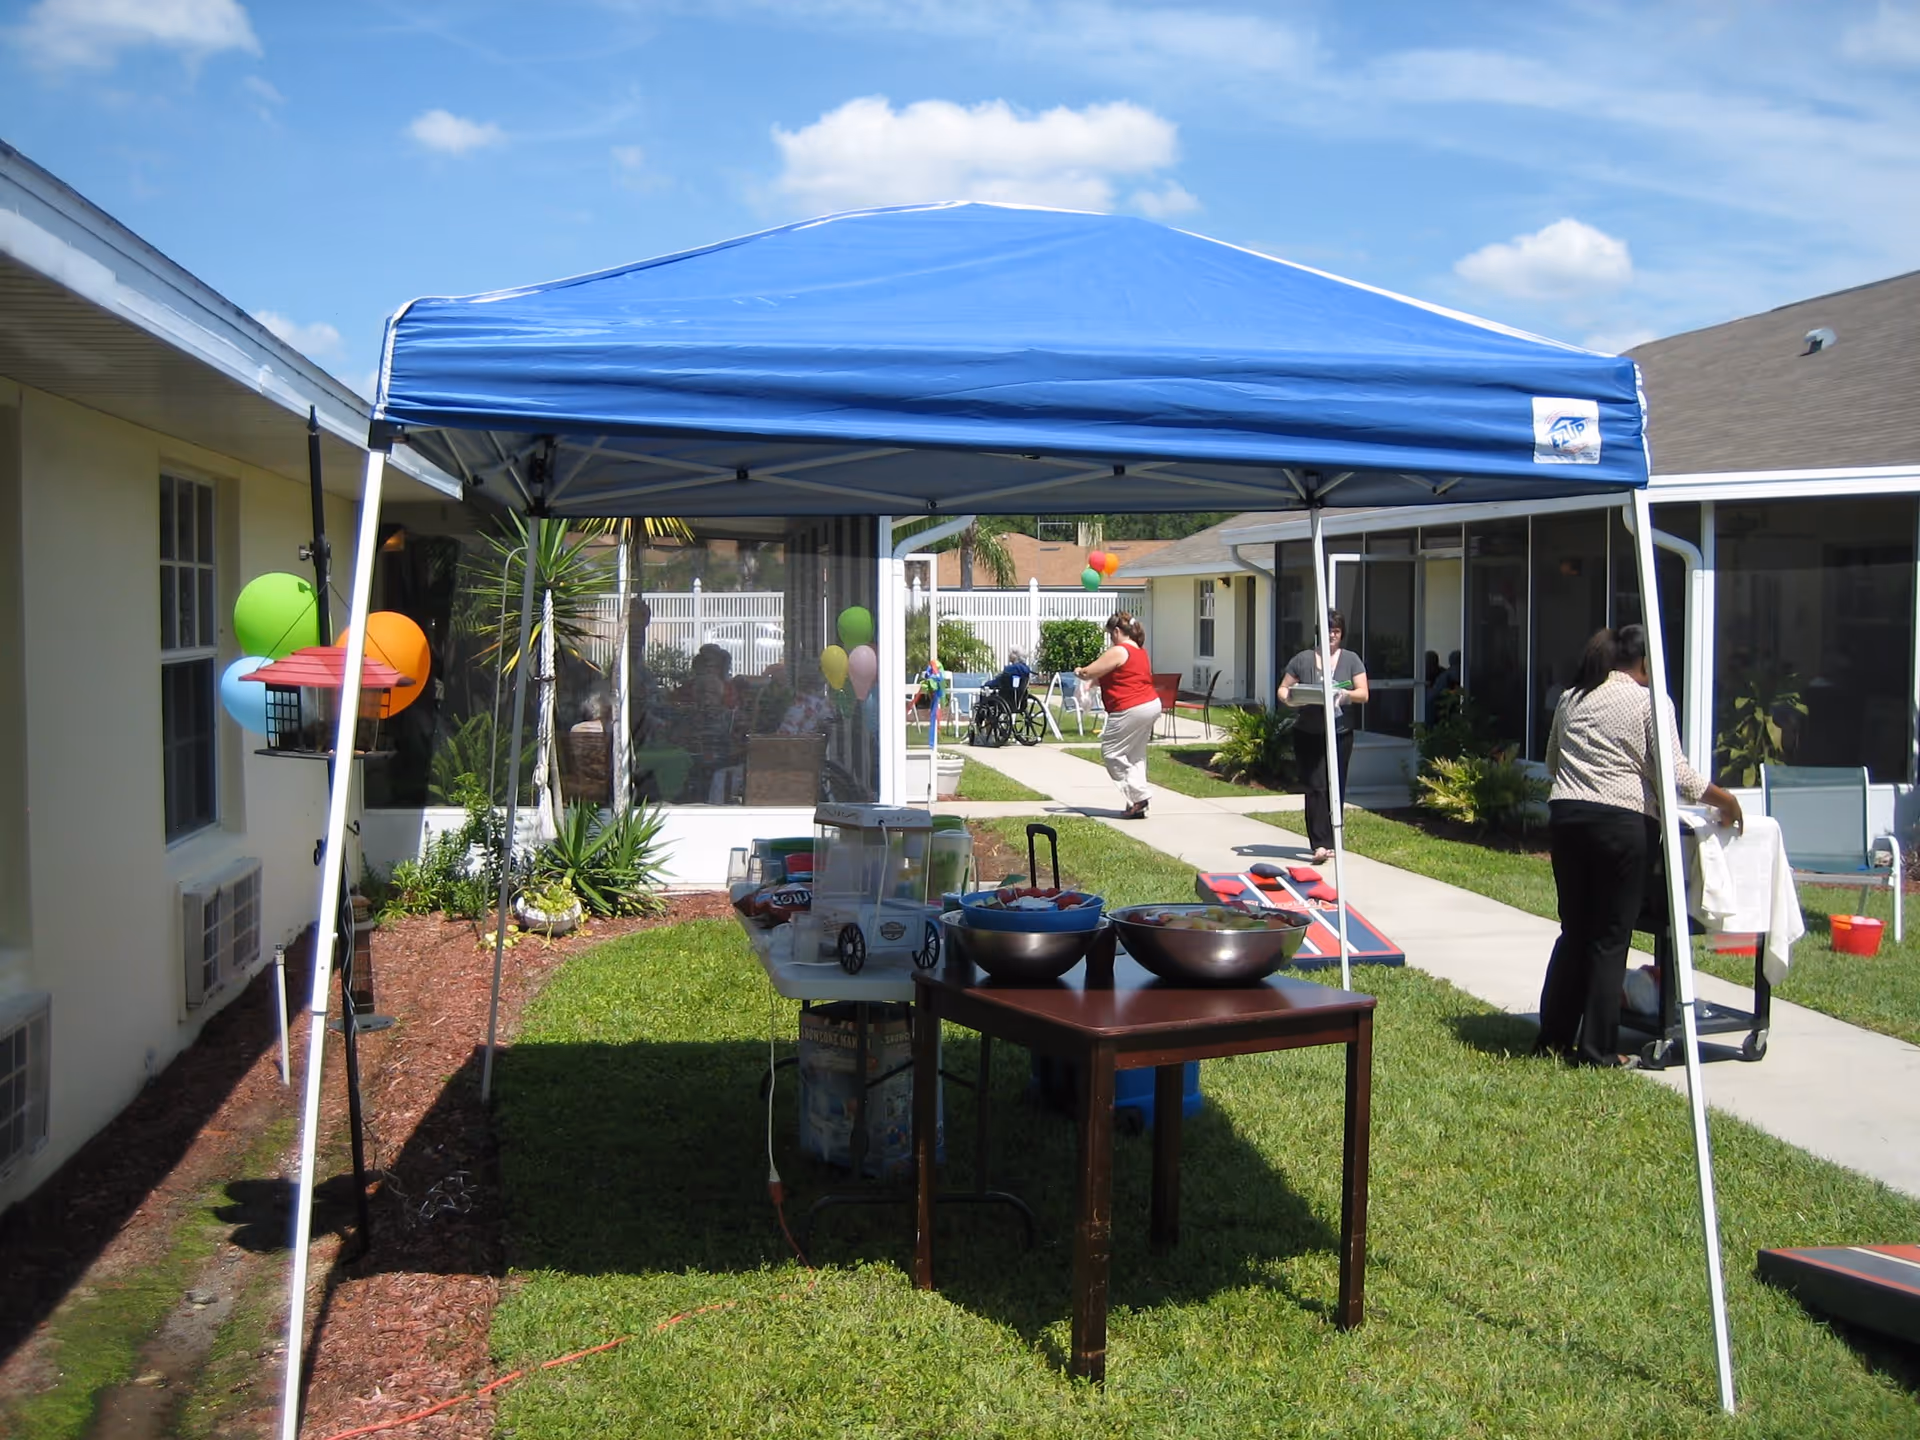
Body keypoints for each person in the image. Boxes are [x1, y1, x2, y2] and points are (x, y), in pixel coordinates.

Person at [1536, 624, 1745, 1068]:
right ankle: (1597, 1052)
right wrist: (1726, 799)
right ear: (1645, 663)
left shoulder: (1572, 697)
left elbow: (1554, 761)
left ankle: (1552, 1039)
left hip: (1567, 819)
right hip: (1622, 825)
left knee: (1574, 932)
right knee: (1611, 939)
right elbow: (1677, 775)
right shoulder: (1650, 701)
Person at [1277, 610, 1368, 864]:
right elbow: (1283, 688)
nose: (1332, 635)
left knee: (1334, 785)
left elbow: (1364, 693)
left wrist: (1345, 696)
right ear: (1319, 632)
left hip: (1339, 733)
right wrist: (1290, 699)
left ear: (1342, 634)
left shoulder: (1351, 660)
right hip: (1308, 732)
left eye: (1336, 631)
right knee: (1314, 786)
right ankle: (1319, 843)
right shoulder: (1303, 659)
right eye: (1328, 630)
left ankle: (1332, 839)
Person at [1074, 612, 1159, 818]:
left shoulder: (1120, 650)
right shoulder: (1140, 651)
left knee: (1111, 753)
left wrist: (1079, 671)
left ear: (1118, 632)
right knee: (1135, 755)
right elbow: (1118, 675)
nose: (1110, 638)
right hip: (1151, 704)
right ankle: (1137, 803)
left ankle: (1138, 797)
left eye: (1111, 634)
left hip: (1130, 707)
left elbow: (1088, 672)